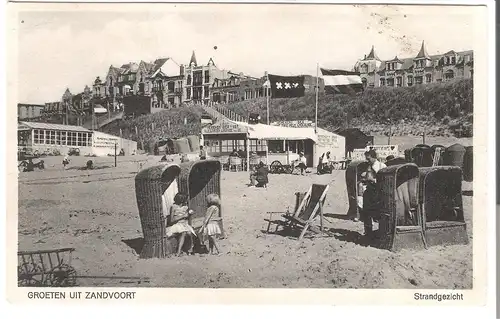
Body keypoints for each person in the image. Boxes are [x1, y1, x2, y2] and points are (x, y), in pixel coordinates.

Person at [360, 170, 381, 239]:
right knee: (367, 215)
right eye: (367, 181)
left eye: (370, 181)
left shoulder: (378, 184)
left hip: (377, 204)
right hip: (370, 204)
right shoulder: (367, 190)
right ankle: (368, 233)